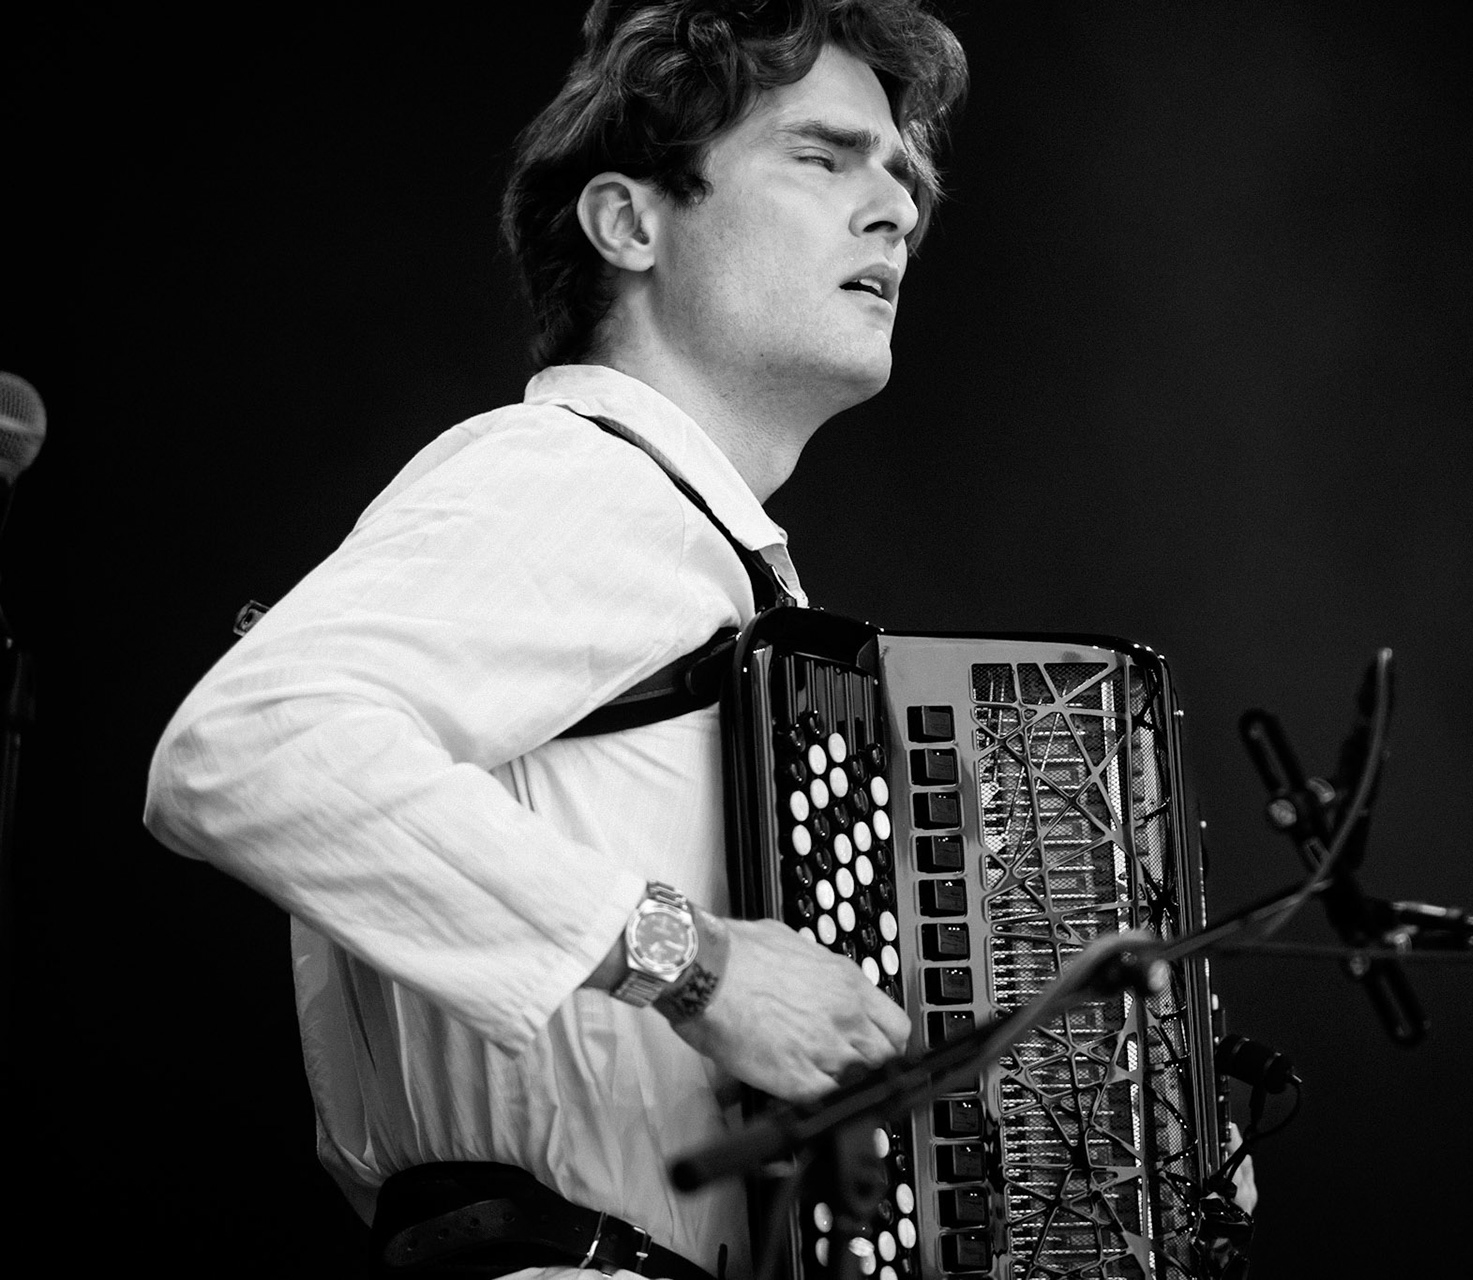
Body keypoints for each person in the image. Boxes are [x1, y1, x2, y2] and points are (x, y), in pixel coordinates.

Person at [144, 2, 967, 1277]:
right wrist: (695, 966)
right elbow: (248, 747)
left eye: (899, 169)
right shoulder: (575, 478)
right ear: (631, 224)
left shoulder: (688, 538)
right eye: (824, 155)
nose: (898, 205)